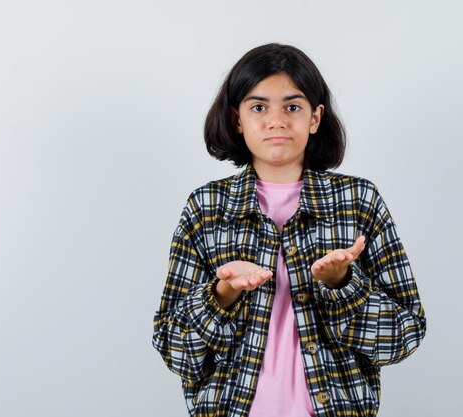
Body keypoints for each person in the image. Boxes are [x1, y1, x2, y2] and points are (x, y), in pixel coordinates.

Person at [152, 43, 426, 417]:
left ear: (315, 118)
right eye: (259, 107)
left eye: (292, 107)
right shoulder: (205, 208)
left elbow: (403, 336)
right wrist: (223, 293)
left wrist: (342, 285)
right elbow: (175, 352)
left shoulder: (358, 200)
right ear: (237, 119)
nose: (276, 120)